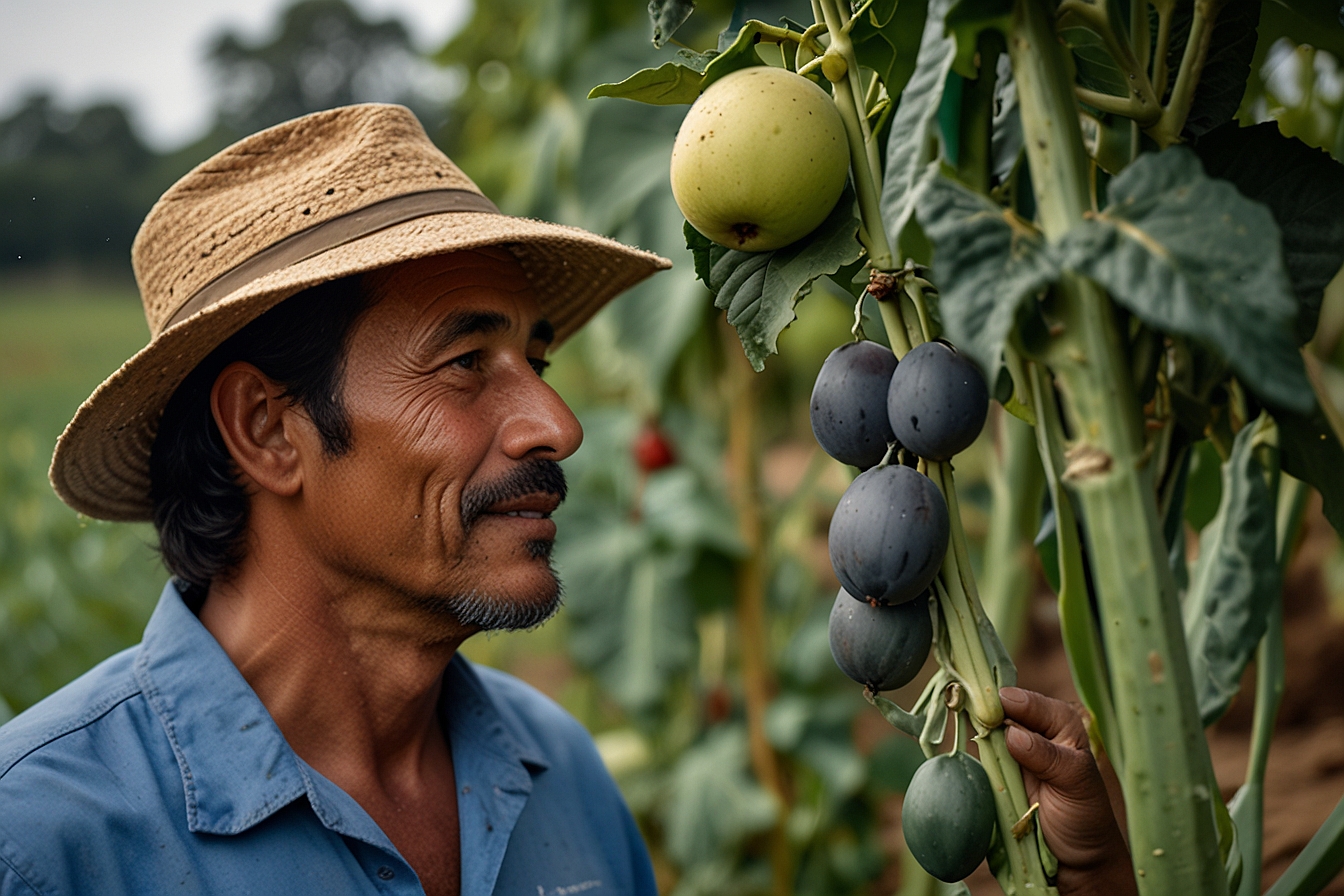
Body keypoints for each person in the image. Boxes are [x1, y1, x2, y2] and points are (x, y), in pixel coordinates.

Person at [0, 103, 1132, 896]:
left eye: (535, 356)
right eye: (464, 363)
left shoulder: (559, 774)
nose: (559, 423)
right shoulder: (45, 841)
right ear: (265, 430)